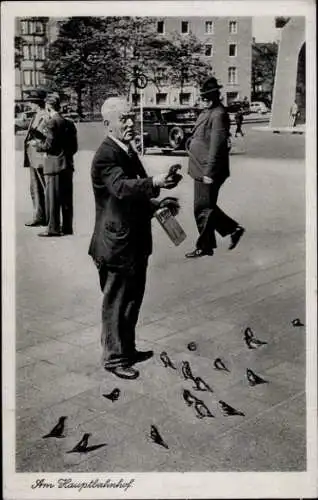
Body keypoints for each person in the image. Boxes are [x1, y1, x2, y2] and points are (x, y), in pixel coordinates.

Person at [88, 96, 182, 380]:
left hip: (132, 241)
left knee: (131, 299)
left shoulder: (126, 150)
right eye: (124, 119)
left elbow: (133, 195)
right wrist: (154, 182)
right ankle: (114, 358)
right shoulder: (106, 154)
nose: (130, 123)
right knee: (116, 302)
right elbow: (120, 188)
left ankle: (126, 349)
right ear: (108, 124)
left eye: (131, 117)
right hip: (116, 245)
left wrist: (157, 204)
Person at [185, 76, 245, 258]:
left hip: (207, 170)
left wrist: (209, 172)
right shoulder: (207, 111)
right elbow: (201, 135)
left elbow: (217, 146)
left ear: (211, 98)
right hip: (199, 167)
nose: (200, 100)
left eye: (203, 98)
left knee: (202, 208)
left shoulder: (218, 114)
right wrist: (190, 141)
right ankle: (232, 230)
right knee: (206, 206)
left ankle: (205, 246)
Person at [35, 93, 78, 237]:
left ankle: (53, 228)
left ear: (48, 106)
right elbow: (74, 147)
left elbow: (49, 145)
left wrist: (38, 145)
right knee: (67, 199)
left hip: (53, 166)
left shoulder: (51, 122)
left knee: (52, 199)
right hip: (67, 165)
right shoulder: (70, 123)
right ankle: (67, 227)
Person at [23, 90, 49, 227]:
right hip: (33, 157)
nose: (29, 104)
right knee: (35, 189)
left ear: (36, 103)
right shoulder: (36, 115)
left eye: (31, 102)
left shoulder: (45, 116)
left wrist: (36, 142)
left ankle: (48, 218)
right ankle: (39, 216)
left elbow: (47, 137)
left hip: (40, 157)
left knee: (44, 188)